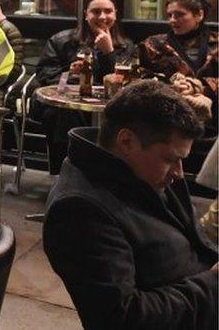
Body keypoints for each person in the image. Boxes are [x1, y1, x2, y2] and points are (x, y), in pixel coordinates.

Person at [43, 80, 217, 330]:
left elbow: (194, 245)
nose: (179, 173)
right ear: (126, 142)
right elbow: (121, 319)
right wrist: (212, 283)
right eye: (171, 159)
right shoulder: (79, 210)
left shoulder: (146, 172)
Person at [34, 0, 135, 172]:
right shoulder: (62, 40)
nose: (102, 17)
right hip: (64, 107)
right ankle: (70, 170)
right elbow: (45, 74)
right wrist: (71, 75)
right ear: (86, 14)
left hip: (108, 108)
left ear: (115, 14)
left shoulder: (127, 46)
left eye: (108, 11)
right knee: (64, 114)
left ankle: (105, 172)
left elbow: (123, 85)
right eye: (96, 12)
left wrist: (109, 53)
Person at [140, 0, 218, 117]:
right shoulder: (154, 44)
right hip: (168, 117)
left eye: (179, 15)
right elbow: (139, 79)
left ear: (199, 15)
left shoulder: (217, 43)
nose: (172, 20)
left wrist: (200, 88)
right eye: (170, 15)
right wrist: (171, 86)